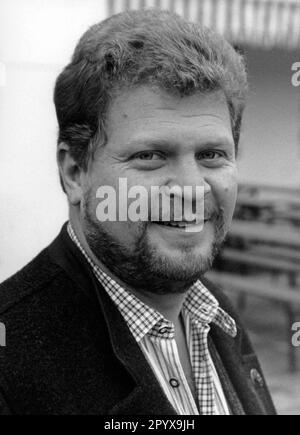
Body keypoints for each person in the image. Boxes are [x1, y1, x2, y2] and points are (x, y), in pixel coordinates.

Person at [0, 9, 276, 415]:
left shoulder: (216, 314)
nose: (190, 189)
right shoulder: (12, 364)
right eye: (150, 156)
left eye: (212, 155)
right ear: (75, 171)